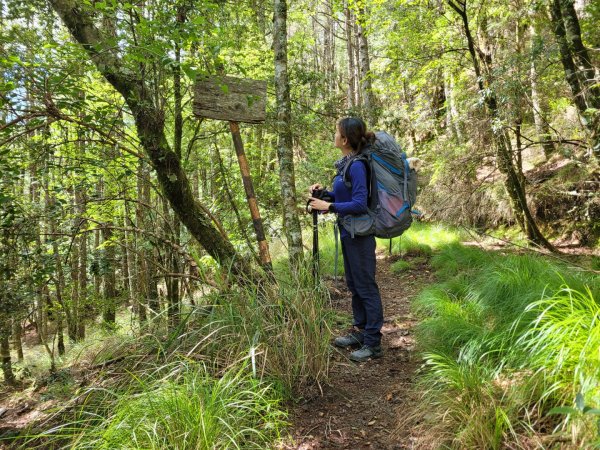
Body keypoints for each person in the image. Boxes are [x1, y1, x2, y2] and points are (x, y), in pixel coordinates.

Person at [308, 117, 384, 362]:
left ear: (345, 139)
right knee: (354, 284)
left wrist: (328, 206)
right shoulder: (346, 165)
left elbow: (360, 203)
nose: (334, 135)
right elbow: (345, 197)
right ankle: (360, 331)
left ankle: (373, 343)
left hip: (360, 236)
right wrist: (324, 195)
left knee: (366, 286)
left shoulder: (358, 166)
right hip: (349, 233)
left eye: (336, 131)